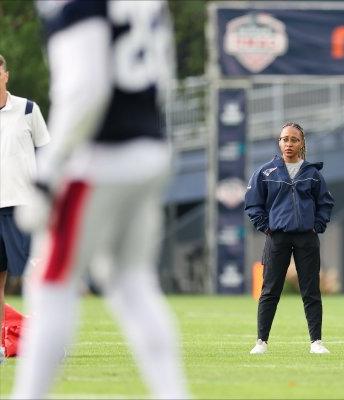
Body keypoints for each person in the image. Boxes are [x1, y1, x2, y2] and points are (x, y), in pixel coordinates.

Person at [11, 1, 189, 398]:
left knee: (50, 282)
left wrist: (48, 173)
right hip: (149, 148)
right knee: (131, 281)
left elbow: (85, 87)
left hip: (100, 156)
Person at [245, 122, 335, 355]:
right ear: (279, 142)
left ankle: (316, 342)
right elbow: (253, 204)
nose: (289, 144)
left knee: (311, 290)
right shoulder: (266, 173)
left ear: (301, 143)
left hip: (307, 238)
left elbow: (325, 203)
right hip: (277, 238)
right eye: (285, 139)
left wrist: (317, 225)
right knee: (270, 290)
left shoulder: (313, 174)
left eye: (294, 139)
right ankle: (261, 342)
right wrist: (266, 227)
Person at [0, 54, 50, 364]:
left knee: (37, 277)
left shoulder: (29, 110)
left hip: (24, 207)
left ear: (5, 73)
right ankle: (1, 346)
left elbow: (46, 157)